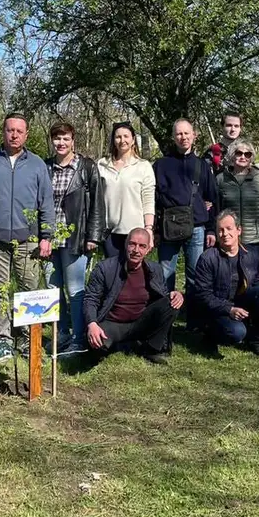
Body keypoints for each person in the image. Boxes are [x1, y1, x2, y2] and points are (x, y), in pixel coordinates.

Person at [0, 112, 55, 361]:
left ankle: (28, 340)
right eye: (10, 130)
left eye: (19, 130)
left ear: (26, 134)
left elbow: (46, 203)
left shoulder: (37, 164)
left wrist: (46, 235)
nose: (14, 134)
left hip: (28, 240)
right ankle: (3, 340)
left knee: (29, 290)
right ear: (3, 132)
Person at [45, 121, 107, 353]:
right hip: (49, 239)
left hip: (76, 238)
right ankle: (61, 333)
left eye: (65, 139)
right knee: (53, 289)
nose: (61, 143)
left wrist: (93, 235)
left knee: (75, 290)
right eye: (57, 138)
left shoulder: (86, 167)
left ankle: (79, 337)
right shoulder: (46, 167)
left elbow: (97, 204)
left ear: (73, 141)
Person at [82, 228, 183, 364]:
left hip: (140, 321)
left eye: (142, 246)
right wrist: (92, 324)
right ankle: (120, 344)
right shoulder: (105, 268)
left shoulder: (155, 269)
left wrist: (174, 294)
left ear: (148, 250)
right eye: (132, 244)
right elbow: (91, 298)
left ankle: (151, 348)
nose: (136, 250)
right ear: (126, 245)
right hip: (114, 322)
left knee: (172, 303)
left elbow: (161, 295)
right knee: (95, 346)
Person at [190, 211, 259, 356]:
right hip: (217, 309)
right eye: (220, 230)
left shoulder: (251, 255)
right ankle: (209, 337)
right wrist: (229, 309)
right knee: (236, 333)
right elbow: (203, 295)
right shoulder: (208, 258)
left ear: (238, 230)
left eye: (229, 229)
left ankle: (256, 340)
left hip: (242, 301)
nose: (224, 234)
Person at [154, 118, 218, 291]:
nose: (183, 137)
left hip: (196, 227)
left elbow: (213, 198)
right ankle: (166, 313)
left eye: (186, 133)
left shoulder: (202, 166)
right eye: (179, 134)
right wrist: (155, 230)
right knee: (165, 273)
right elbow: (154, 200)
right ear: (173, 137)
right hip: (168, 226)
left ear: (193, 135)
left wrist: (211, 229)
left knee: (196, 274)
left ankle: (193, 314)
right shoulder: (161, 165)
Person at [97, 122, 155, 259]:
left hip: (135, 233)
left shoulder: (143, 166)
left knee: (133, 275)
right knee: (112, 275)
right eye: (118, 137)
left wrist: (149, 229)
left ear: (133, 139)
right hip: (109, 232)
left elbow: (148, 200)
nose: (122, 140)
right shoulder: (102, 165)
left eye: (126, 136)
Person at [215, 139, 259, 260]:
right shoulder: (221, 179)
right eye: (239, 153)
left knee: (254, 275)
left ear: (251, 158)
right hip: (229, 237)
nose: (243, 157)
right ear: (232, 155)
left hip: (255, 239)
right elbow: (216, 210)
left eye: (247, 154)